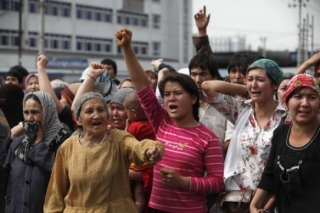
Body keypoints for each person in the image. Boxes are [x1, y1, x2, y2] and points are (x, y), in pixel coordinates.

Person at [116, 28, 224, 213]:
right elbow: (141, 85)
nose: (171, 98)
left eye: (177, 93)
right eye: (167, 94)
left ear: (193, 98)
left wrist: (183, 182)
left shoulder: (208, 138)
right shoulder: (161, 121)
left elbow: (216, 183)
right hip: (156, 208)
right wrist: (126, 47)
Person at [44, 89, 164, 212]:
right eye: (89, 111)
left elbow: (137, 148)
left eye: (101, 110)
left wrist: (150, 150)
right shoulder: (68, 147)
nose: (97, 115)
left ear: (107, 116)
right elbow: (56, 192)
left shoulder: (119, 139)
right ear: (78, 120)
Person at [201, 59, 286, 201]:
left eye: (260, 80)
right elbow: (207, 86)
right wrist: (245, 89)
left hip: (272, 197)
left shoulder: (286, 117)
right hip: (239, 198)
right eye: (250, 79)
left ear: (275, 84)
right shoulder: (240, 110)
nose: (254, 84)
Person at [250, 74, 320, 213]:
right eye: (298, 96)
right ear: (286, 103)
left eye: (312, 97)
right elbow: (269, 175)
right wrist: (254, 206)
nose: (304, 103)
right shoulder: (281, 133)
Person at [1, 91, 70, 213]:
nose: (29, 118)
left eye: (35, 112)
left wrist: (38, 146)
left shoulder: (64, 142)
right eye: (26, 112)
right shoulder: (18, 144)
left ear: (48, 112)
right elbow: (5, 182)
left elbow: (62, 175)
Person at [123, 90, 156, 213]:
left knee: (138, 197)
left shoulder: (135, 126)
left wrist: (126, 129)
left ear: (134, 113)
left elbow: (125, 142)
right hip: (150, 164)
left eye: (126, 112)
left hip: (138, 166)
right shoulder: (153, 124)